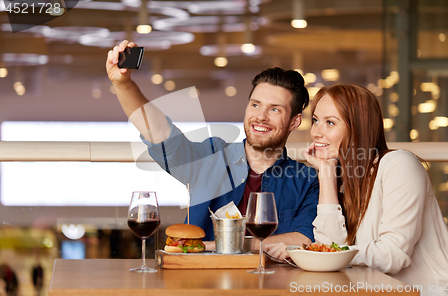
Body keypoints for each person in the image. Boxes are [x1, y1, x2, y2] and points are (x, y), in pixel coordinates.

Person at [106, 40, 319, 256]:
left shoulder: (307, 180)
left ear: (294, 122)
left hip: (273, 285)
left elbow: (304, 238)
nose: (260, 117)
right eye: (255, 105)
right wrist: (124, 84)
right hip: (204, 281)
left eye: (275, 109)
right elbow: (161, 135)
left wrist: (212, 246)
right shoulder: (211, 155)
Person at [303, 84, 448, 296]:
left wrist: (335, 255)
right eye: (315, 120)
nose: (316, 132)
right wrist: (326, 173)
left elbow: (392, 256)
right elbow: (329, 253)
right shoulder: (342, 180)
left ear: (358, 128)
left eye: (330, 122)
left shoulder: (399, 165)